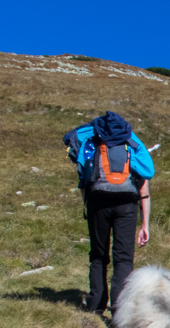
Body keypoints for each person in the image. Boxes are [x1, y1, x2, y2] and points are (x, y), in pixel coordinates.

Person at [64, 111, 155, 314]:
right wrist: (144, 225)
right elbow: (144, 190)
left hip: (98, 203)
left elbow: (84, 180)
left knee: (98, 255)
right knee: (123, 258)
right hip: (127, 205)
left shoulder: (93, 143)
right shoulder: (131, 145)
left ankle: (96, 305)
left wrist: (88, 206)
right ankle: (119, 308)